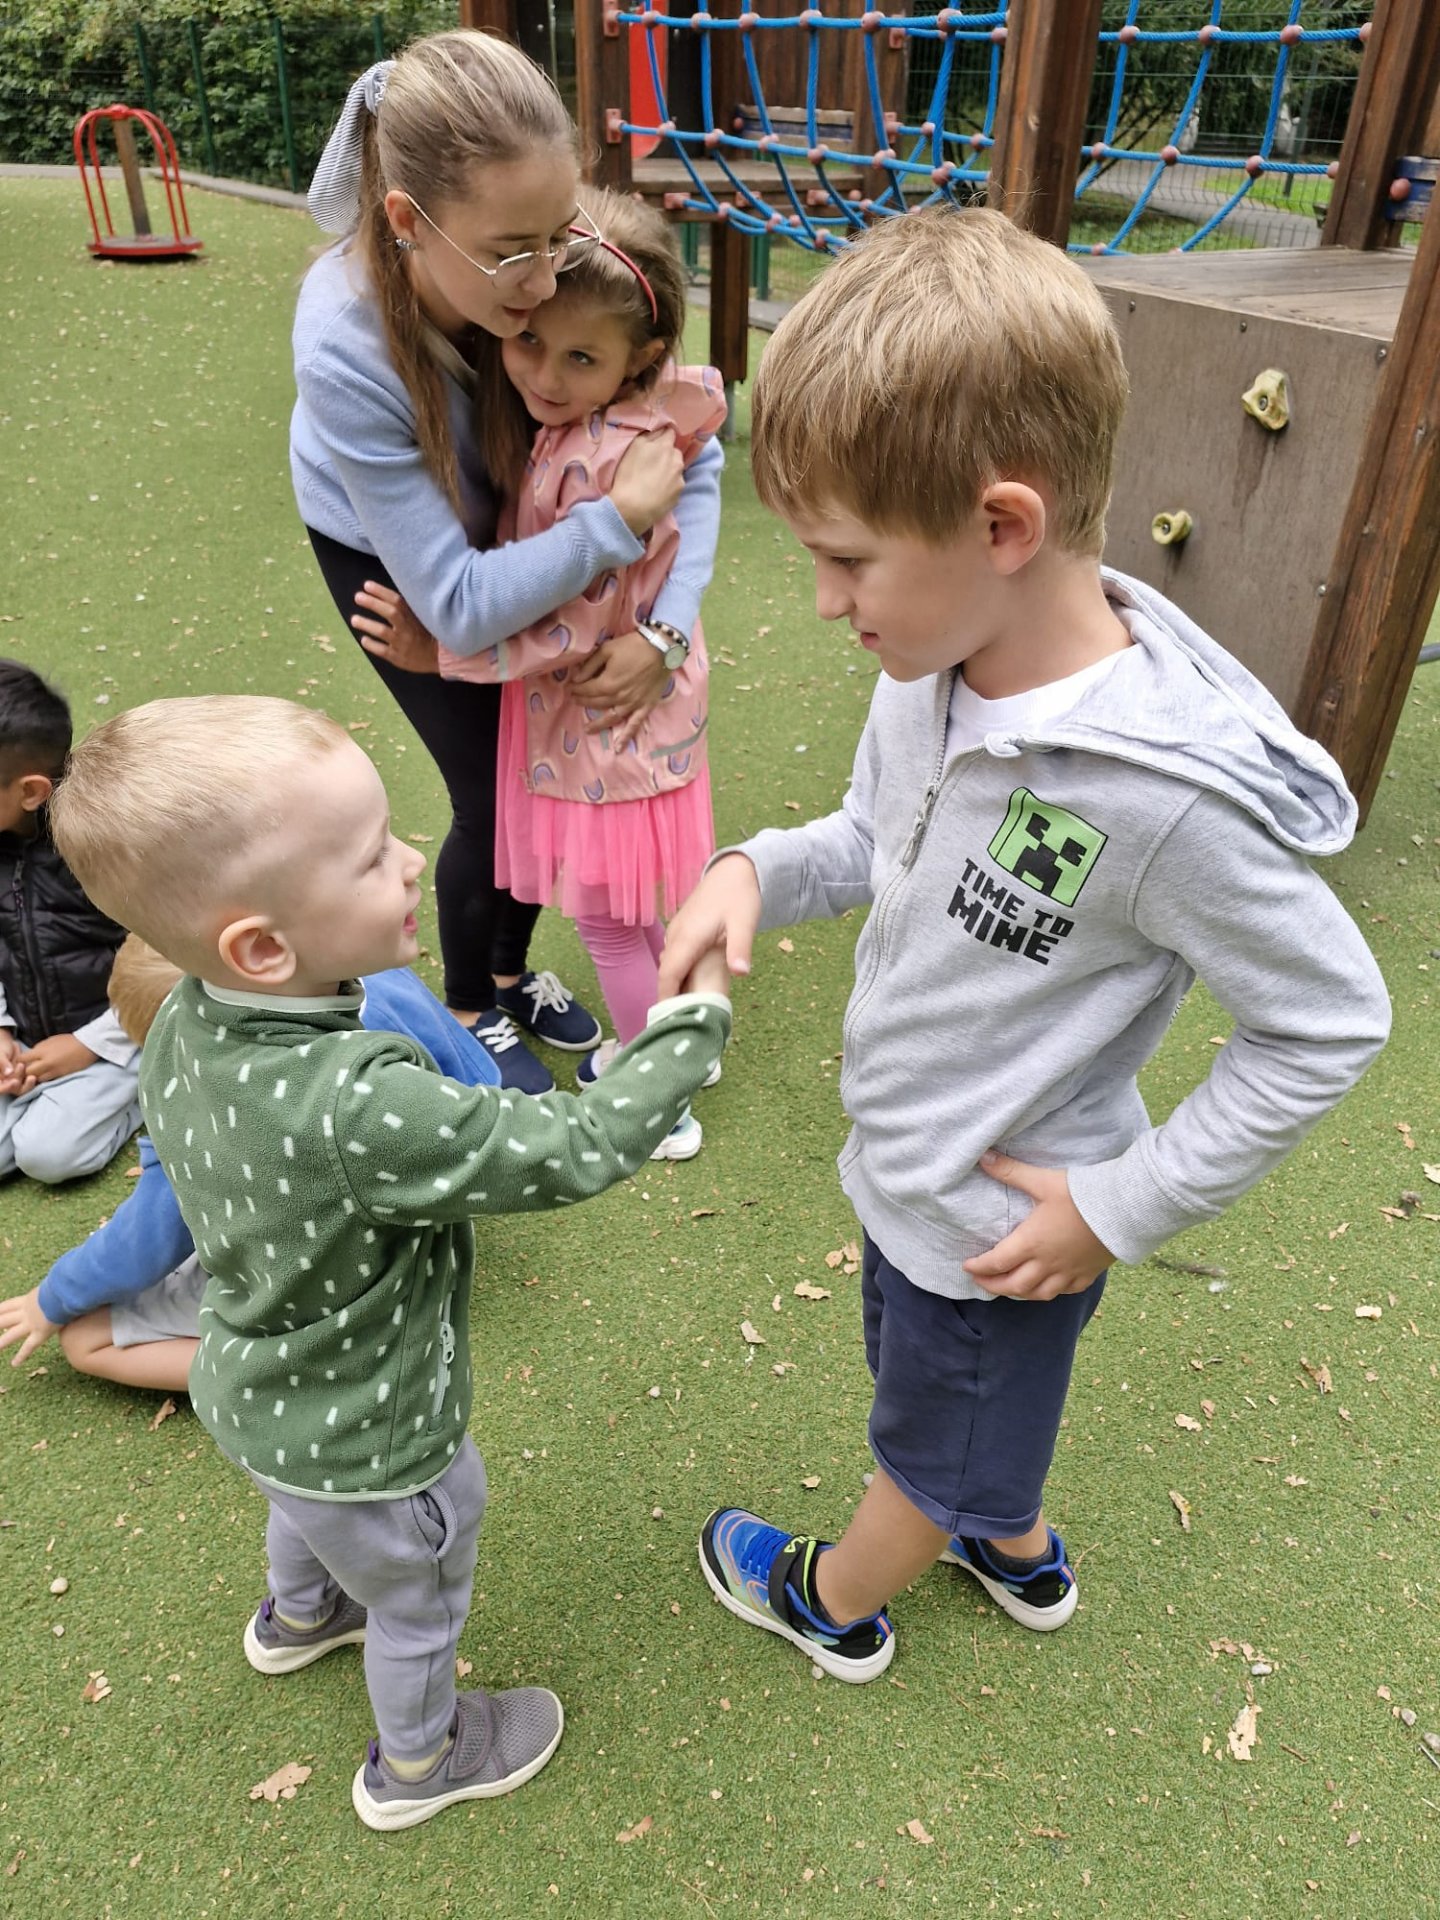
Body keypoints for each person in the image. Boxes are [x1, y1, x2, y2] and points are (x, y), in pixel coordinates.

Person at [658, 206, 1391, 1683]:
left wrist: (1123, 1203)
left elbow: (1328, 1020)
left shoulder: (1161, 802)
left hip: (1002, 1235)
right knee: (955, 1414)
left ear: (1002, 528)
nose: (825, 602)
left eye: (847, 560)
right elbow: (872, 835)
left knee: (922, 1448)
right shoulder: (933, 665)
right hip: (916, 1175)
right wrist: (755, 868)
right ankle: (1013, 1542)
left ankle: (836, 1603)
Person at [50, 694, 730, 1827]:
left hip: (255, 1393)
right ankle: (421, 1764)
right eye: (370, 858)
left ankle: (302, 1617)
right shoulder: (357, 1106)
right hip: (377, 1434)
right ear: (262, 946)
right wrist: (688, 1025)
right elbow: (575, 1146)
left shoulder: (180, 1025)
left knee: (306, 1507)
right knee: (420, 1591)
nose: (413, 859)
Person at [293, 30, 724, 1093]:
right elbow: (455, 603)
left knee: (538, 772)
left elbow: (687, 449)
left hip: (527, 523)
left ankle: (507, 968)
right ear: (409, 223)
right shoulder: (347, 347)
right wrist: (609, 527)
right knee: (492, 789)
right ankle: (469, 1004)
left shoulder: (542, 275)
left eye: (558, 232)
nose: (544, 281)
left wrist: (666, 633)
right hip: (405, 554)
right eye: (511, 252)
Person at [371, 187, 726, 1161]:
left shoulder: (586, 467)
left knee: (609, 924)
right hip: (647, 722)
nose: (543, 374)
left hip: (595, 731)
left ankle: (658, 1093)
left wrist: (444, 651)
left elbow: (566, 626)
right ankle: (679, 1038)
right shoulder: (649, 421)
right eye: (530, 342)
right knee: (639, 912)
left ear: (638, 360)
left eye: (581, 358)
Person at [0, 936, 505, 1395]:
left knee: (85, 1339)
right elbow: (476, 1077)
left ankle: (305, 1372)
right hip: (427, 1220)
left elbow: (148, 1240)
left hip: (339, 1269)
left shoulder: (213, 1101)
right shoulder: (361, 966)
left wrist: (52, 1298)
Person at [0, 658, 138, 1184]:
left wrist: (88, 1046)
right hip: (24, 1040)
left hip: (119, 1036)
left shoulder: (104, 847)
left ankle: (151, 1086)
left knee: (46, 1153)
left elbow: (166, 965)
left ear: (30, 791)